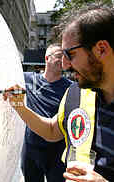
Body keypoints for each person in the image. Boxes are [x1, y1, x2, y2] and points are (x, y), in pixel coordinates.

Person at [3, 6, 114, 182]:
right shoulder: (76, 93)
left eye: (70, 54)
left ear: (101, 49)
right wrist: (19, 106)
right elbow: (52, 130)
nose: (64, 65)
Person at [21, 44, 72, 182]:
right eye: (58, 56)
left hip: (57, 151)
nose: (62, 60)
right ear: (46, 58)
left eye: (65, 57)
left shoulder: (70, 88)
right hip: (31, 148)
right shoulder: (27, 79)